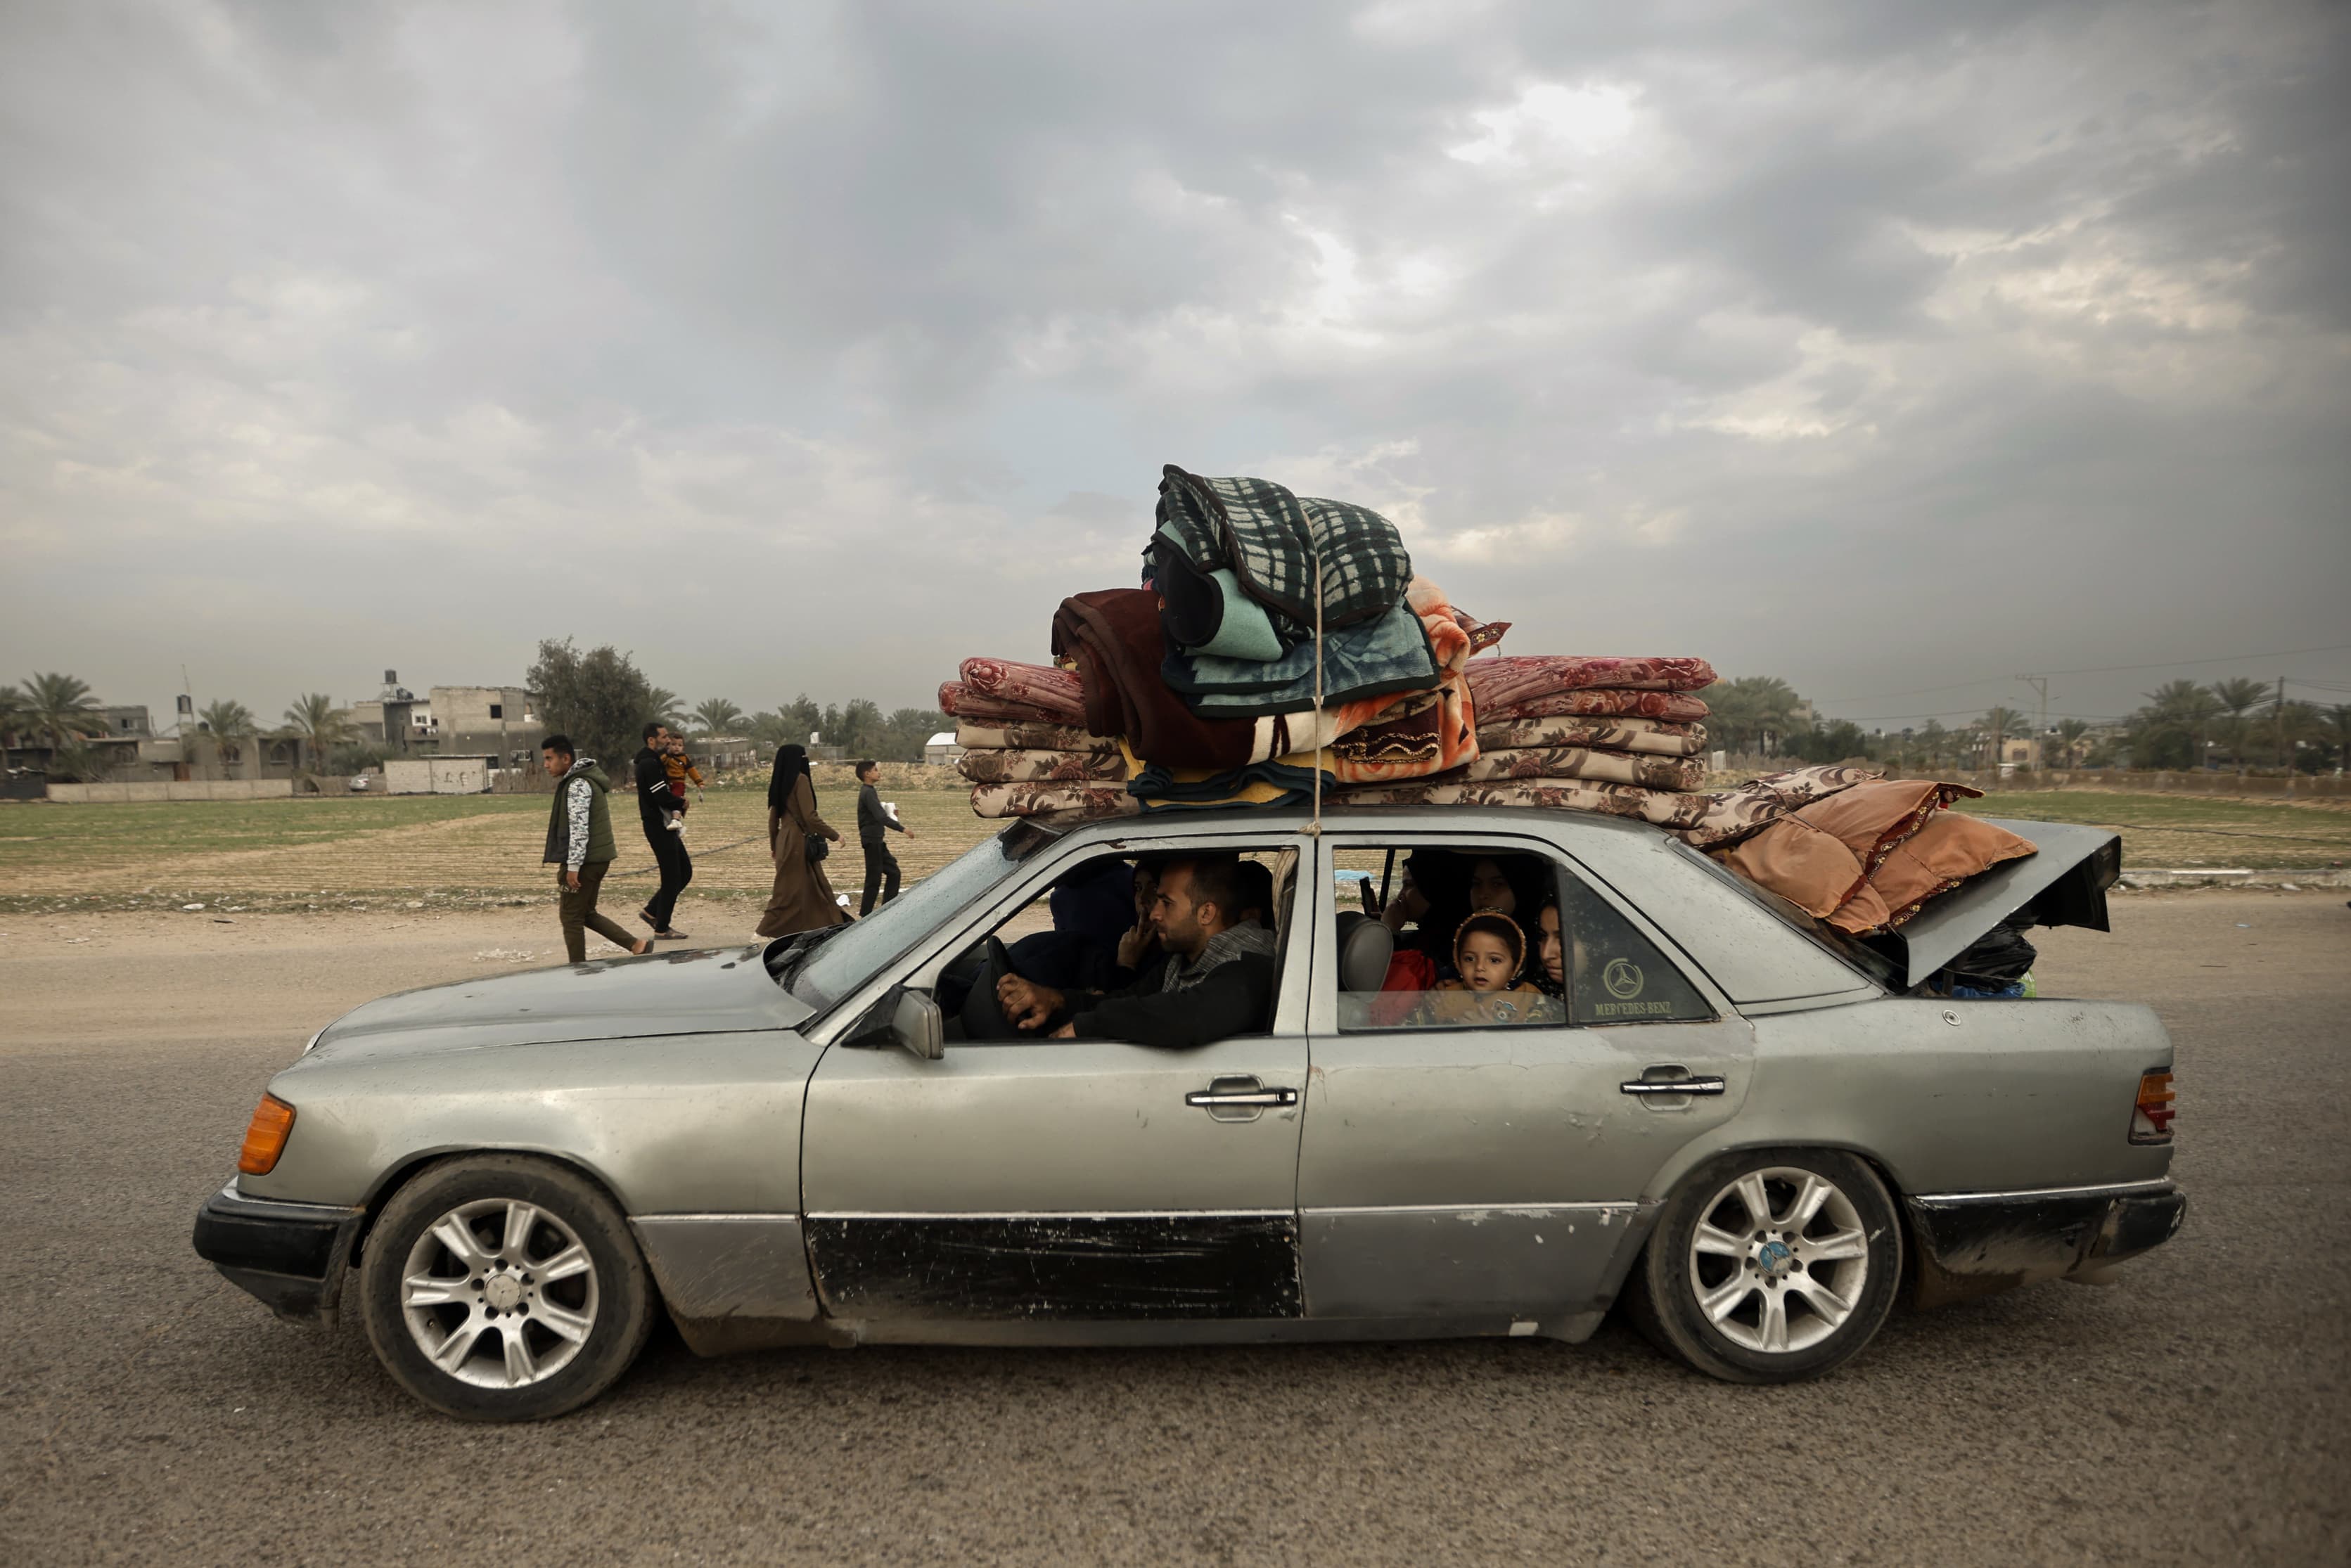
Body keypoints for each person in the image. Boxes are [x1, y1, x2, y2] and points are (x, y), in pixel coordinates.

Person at [994, 856, 1277, 1048]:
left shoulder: (1249, 965)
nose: (1154, 913)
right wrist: (1056, 1001)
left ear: (1206, 913)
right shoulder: (1184, 959)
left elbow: (1185, 1017)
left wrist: (1088, 1026)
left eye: (1167, 903)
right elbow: (1130, 1000)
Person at [540, 734, 652, 963]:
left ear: (566, 758)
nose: (546, 765)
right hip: (596, 859)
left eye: (549, 759)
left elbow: (579, 829)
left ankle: (578, 970)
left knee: (571, 917)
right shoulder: (584, 781)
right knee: (585, 913)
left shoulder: (577, 785)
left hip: (586, 861)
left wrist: (573, 866)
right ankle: (636, 945)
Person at [757, 744, 847, 939]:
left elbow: (773, 822)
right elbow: (810, 817)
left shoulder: (779, 783)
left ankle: (824, 927)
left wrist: (775, 846)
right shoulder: (801, 780)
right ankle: (763, 932)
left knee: (808, 887)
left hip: (784, 841)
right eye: (803, 756)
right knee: (787, 892)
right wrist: (834, 835)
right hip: (798, 841)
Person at [1416, 911, 1554, 1025]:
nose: (1480, 967)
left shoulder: (1529, 998)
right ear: (1458, 961)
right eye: (1469, 959)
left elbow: (1544, 1041)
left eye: (1494, 960)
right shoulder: (1445, 996)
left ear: (1516, 966)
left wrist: (1495, 1033)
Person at [630, 721, 693, 940]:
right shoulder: (649, 763)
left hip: (665, 824)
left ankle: (651, 912)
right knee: (672, 877)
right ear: (651, 740)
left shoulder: (655, 760)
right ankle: (662, 928)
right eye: (664, 737)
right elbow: (660, 796)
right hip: (658, 825)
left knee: (685, 871)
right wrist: (680, 802)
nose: (668, 740)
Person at [852, 759, 913, 915]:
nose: (879, 773)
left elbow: (877, 814)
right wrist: (903, 829)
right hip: (871, 840)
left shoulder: (870, 791)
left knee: (894, 873)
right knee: (874, 880)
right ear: (867, 774)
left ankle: (887, 910)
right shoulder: (867, 792)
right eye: (875, 770)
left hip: (877, 840)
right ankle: (865, 914)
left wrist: (891, 813)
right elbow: (880, 817)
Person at [659, 733, 706, 831]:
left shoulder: (685, 758)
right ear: (668, 745)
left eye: (680, 745)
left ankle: (676, 820)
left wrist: (700, 783)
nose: (677, 747)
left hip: (678, 784)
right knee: (668, 804)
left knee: (676, 801)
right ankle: (678, 828)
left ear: (683, 747)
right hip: (667, 784)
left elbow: (692, 771)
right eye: (674, 744)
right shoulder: (665, 757)